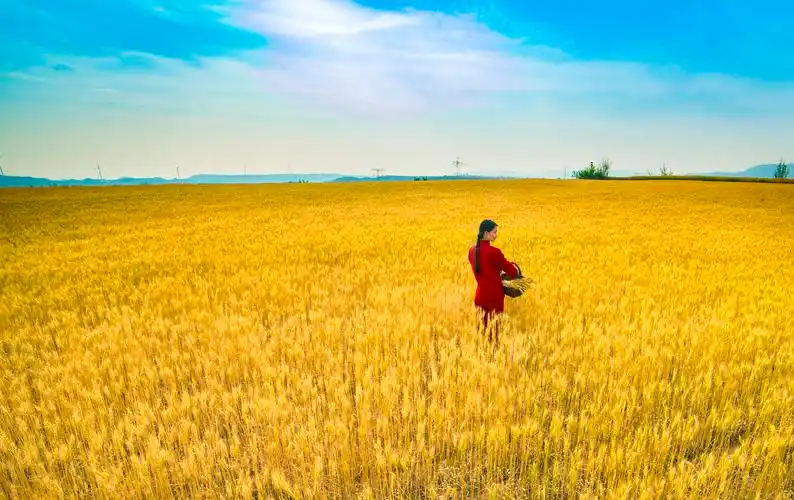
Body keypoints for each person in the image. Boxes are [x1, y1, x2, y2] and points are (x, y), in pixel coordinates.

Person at [468, 219, 520, 344]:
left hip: (480, 296)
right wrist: (503, 271)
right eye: (494, 232)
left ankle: (482, 357)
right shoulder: (494, 252)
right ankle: (493, 358)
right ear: (486, 233)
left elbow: (484, 270)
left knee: (482, 331)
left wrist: (496, 271)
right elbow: (513, 271)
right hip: (494, 298)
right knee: (494, 334)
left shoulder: (472, 250)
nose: (496, 235)